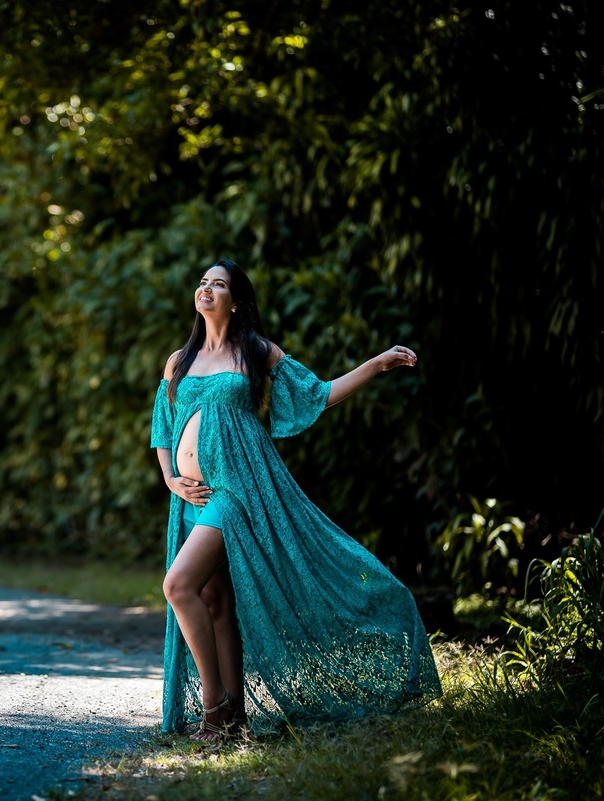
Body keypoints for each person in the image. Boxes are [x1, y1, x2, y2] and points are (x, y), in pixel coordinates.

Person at [150, 259, 442, 742]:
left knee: (177, 585)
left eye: (217, 284)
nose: (206, 288)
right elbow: (163, 424)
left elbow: (317, 394)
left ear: (235, 300)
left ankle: (214, 711)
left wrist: (376, 364)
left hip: (238, 490)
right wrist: (170, 479)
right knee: (214, 600)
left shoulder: (255, 351)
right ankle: (236, 719)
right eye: (203, 282)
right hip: (190, 498)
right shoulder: (179, 361)